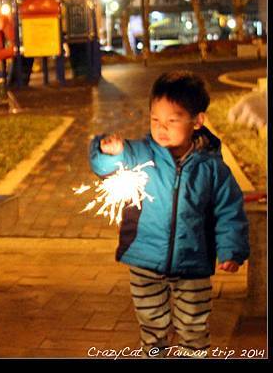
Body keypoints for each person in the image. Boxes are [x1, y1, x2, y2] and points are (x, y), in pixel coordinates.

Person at [89, 70, 249, 357]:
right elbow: (104, 167)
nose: (161, 128)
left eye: (172, 121)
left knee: (194, 325)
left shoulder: (211, 168)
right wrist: (107, 152)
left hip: (194, 262)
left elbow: (229, 210)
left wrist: (231, 249)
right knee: (151, 326)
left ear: (197, 121)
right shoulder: (141, 154)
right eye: (155, 120)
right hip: (144, 260)